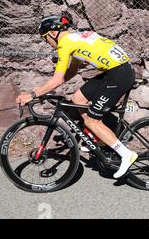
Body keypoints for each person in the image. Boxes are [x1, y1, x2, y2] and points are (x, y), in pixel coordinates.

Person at [16, 12, 138, 179]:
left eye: (45, 39)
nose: (48, 43)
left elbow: (58, 78)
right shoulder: (75, 37)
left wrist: (32, 94)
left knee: (92, 119)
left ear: (53, 33)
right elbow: (73, 70)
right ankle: (97, 138)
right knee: (78, 98)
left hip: (119, 74)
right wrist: (49, 88)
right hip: (115, 71)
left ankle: (126, 154)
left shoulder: (64, 43)